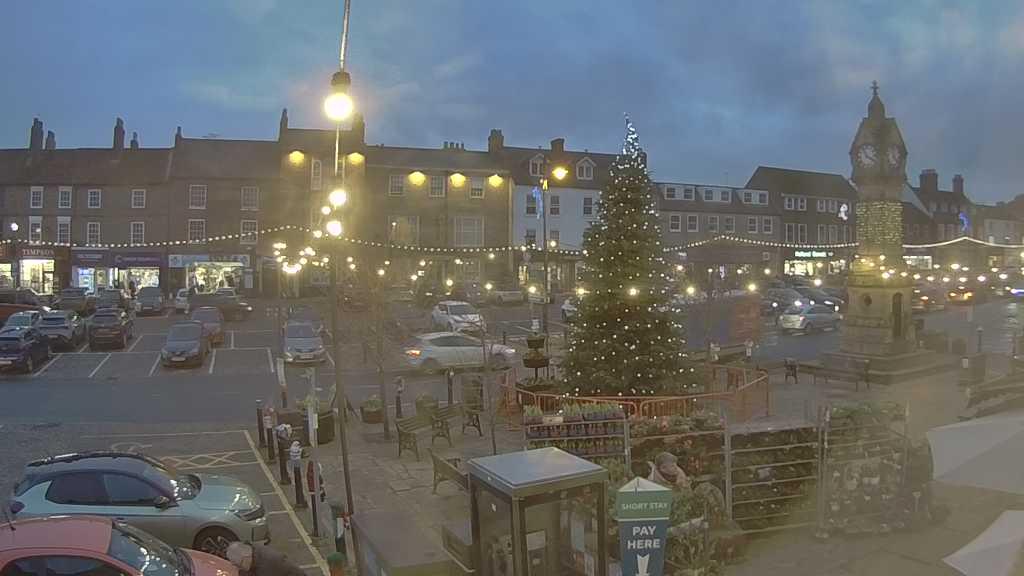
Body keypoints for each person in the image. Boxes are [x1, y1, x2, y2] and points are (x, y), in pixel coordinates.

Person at [225, 542, 306, 576]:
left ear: (246, 558)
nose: (238, 568)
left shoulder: (268, 565)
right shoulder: (252, 553)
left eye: (238, 565)